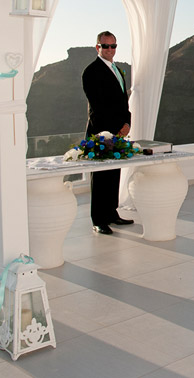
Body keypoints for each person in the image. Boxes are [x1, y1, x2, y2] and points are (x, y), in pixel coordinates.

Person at [82, 31, 133, 235]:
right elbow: (98, 106)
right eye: (105, 46)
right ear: (98, 47)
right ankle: (98, 219)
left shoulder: (118, 71)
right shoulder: (91, 71)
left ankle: (112, 214)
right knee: (101, 176)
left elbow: (123, 101)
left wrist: (126, 123)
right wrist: (117, 126)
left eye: (113, 46)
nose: (110, 50)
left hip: (118, 130)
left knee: (114, 172)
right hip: (100, 131)